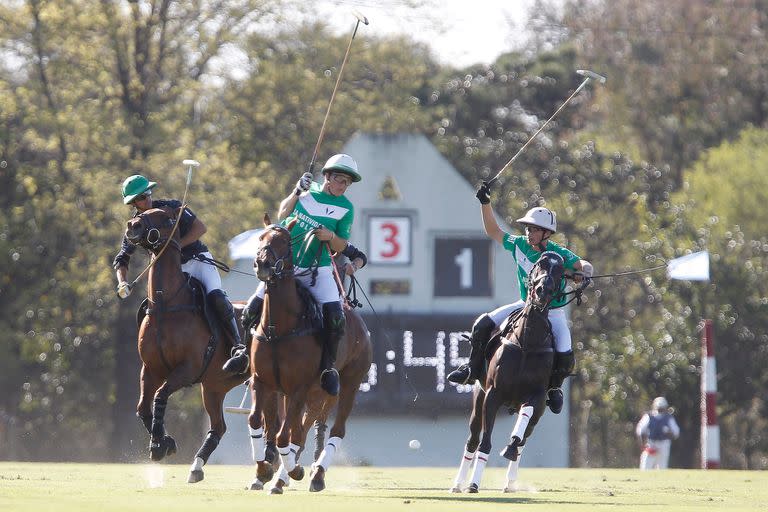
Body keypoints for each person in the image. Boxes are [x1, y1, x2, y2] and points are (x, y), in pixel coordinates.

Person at [223, 154, 367, 396]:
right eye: (339, 180)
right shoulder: (307, 192)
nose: (342, 186)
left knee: (335, 317)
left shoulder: (346, 208)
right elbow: (281, 213)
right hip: (286, 266)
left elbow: (343, 245)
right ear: (327, 177)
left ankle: (327, 368)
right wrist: (296, 191)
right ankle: (244, 355)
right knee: (251, 310)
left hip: (318, 269)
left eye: (346, 183)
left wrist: (331, 238)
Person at [446, 180, 593, 414]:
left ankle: (554, 389)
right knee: (482, 324)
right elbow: (493, 231)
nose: (529, 232)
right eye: (528, 228)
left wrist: (584, 273)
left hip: (552, 311)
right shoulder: (519, 245)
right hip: (524, 305)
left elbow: (582, 264)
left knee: (565, 351)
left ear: (547, 233)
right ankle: (472, 370)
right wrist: (486, 203)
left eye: (534, 229)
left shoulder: (560, 254)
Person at [113, 174, 243, 356]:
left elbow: (200, 228)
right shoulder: (135, 227)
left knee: (216, 296)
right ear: (134, 203)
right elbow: (122, 258)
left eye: (148, 193)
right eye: (142, 197)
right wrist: (122, 282)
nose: (148, 198)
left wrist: (175, 247)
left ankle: (237, 345)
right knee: (149, 309)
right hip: (174, 271)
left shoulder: (172, 207)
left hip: (198, 260)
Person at [636, 396, 680, 470]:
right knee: (646, 466)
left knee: (662, 467)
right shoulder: (649, 416)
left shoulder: (668, 418)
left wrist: (668, 433)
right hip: (651, 444)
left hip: (664, 444)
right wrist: (643, 445)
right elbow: (640, 431)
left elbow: (675, 433)